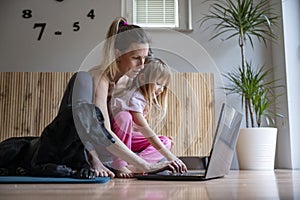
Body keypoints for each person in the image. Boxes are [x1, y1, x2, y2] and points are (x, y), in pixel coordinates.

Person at [0, 17, 185, 179]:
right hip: (87, 144)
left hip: (114, 149)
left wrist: (167, 154)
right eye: (136, 58)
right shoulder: (99, 79)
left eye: (145, 58)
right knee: (83, 81)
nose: (142, 65)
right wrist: (97, 161)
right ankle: (98, 159)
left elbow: (133, 125)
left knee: (163, 139)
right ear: (118, 54)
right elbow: (99, 130)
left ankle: (130, 164)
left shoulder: (130, 81)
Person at [109, 57, 187, 178]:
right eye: (158, 83)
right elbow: (145, 130)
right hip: (117, 140)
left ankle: (135, 166)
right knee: (125, 117)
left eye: (164, 86)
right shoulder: (134, 96)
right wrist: (170, 156)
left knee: (166, 141)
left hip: (132, 140)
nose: (161, 90)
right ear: (142, 79)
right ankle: (120, 163)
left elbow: (141, 133)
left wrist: (164, 142)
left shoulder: (143, 99)